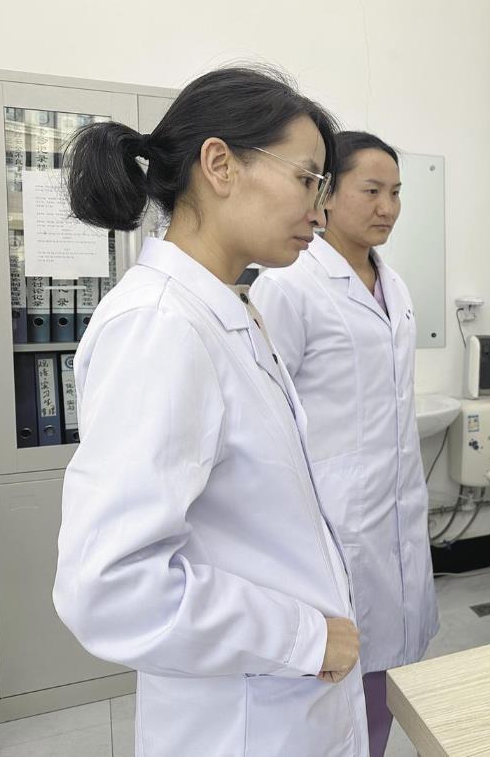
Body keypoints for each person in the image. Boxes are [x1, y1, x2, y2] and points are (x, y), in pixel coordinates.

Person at [52, 67, 368, 756]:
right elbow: (110, 587)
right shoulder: (161, 324)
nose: (320, 213)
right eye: (308, 180)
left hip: (282, 705)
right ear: (220, 165)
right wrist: (303, 636)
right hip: (237, 724)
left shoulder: (227, 306)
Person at [250, 131, 437, 757]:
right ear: (326, 194)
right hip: (331, 523)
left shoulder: (395, 284)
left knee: (385, 681)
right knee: (332, 701)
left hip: (396, 512)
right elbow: (270, 417)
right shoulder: (290, 284)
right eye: (372, 191)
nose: (388, 208)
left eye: (397, 193)